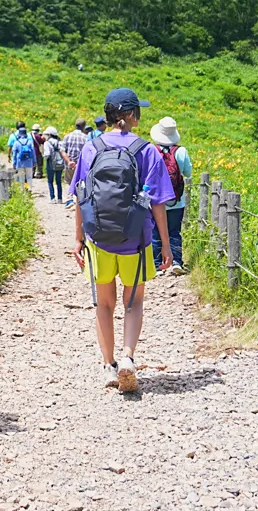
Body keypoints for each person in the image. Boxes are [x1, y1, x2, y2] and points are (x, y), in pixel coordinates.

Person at [72, 88, 173, 394]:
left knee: (104, 303)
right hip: (136, 240)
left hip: (99, 239)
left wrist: (78, 237)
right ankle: (128, 357)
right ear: (129, 115)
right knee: (134, 301)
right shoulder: (147, 151)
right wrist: (165, 245)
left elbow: (80, 195)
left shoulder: (92, 147)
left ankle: (108, 365)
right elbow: (158, 203)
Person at [148, 116, 192, 276]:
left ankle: (157, 264)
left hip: (155, 201)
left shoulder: (151, 150)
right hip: (176, 201)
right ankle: (176, 262)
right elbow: (188, 173)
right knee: (174, 231)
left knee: (155, 232)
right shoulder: (181, 151)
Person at [7, 120, 38, 187]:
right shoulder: (29, 136)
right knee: (29, 177)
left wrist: (10, 157)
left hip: (19, 161)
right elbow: (32, 150)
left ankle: (23, 190)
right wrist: (34, 161)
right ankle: (29, 189)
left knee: (21, 177)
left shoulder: (13, 136)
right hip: (29, 160)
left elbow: (10, 147)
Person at [61, 119, 89, 187]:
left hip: (69, 166)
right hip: (80, 166)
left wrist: (69, 162)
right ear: (84, 126)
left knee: (69, 184)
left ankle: (70, 197)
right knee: (79, 186)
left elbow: (62, 151)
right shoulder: (85, 137)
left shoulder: (67, 136)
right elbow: (87, 153)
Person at [43, 127, 66, 202]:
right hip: (60, 164)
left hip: (51, 164)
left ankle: (52, 198)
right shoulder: (60, 142)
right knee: (58, 181)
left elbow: (47, 154)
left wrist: (44, 158)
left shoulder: (47, 143)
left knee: (50, 181)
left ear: (49, 134)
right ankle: (60, 198)